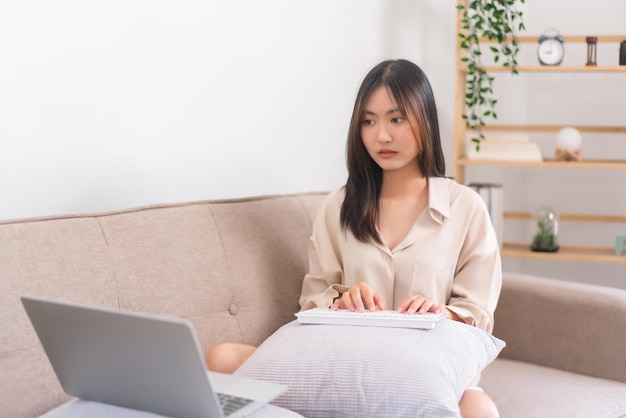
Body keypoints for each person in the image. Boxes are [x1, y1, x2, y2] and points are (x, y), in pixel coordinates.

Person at [206, 59, 502, 418]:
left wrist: (442, 313)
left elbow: (478, 315)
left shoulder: (466, 208)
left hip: (425, 372)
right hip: (344, 363)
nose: (382, 136)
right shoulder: (338, 207)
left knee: (479, 410)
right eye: (369, 120)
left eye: (396, 119)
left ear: (424, 120)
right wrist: (342, 299)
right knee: (221, 358)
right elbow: (310, 303)